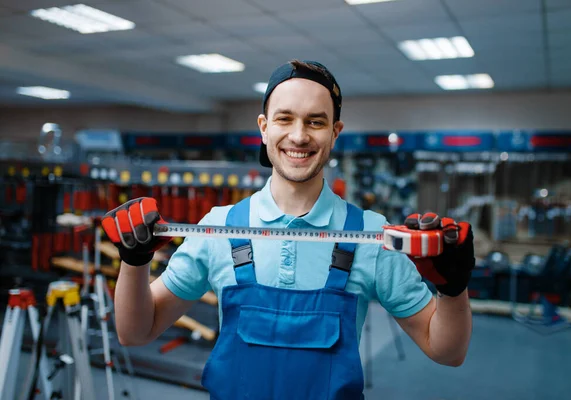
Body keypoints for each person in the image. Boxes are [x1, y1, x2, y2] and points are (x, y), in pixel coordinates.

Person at [101, 60, 475, 399]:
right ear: (264, 128)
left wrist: (453, 289)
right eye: (284, 119)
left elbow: (447, 351)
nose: (299, 136)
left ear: (335, 132)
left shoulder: (370, 235)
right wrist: (134, 262)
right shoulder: (218, 227)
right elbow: (135, 332)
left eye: (316, 121)